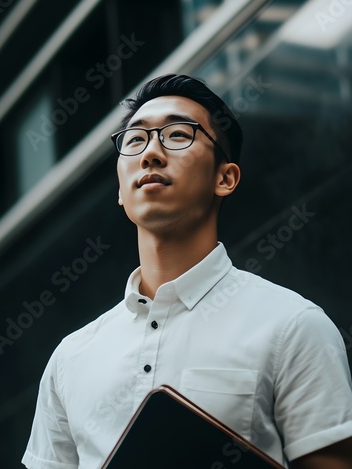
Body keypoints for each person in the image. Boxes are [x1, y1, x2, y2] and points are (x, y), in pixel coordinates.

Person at [22, 74, 352, 468]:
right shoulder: (70, 359)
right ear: (120, 191)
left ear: (225, 178)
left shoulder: (293, 327)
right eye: (134, 140)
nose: (151, 154)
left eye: (178, 135)